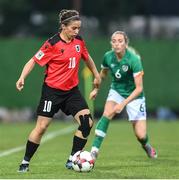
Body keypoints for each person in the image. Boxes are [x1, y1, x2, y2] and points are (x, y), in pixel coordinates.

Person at [16, 9, 101, 172]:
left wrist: (96, 75)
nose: (77, 31)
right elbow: (33, 61)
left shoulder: (79, 42)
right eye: (74, 28)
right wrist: (22, 77)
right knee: (41, 128)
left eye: (79, 28)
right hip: (52, 92)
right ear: (63, 26)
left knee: (87, 123)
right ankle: (25, 162)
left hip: (71, 92)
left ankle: (72, 159)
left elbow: (87, 57)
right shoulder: (52, 44)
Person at [89, 31, 157, 163]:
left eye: (120, 41)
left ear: (126, 43)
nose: (116, 44)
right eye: (114, 41)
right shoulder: (108, 57)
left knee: (140, 135)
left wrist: (123, 104)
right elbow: (102, 74)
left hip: (135, 96)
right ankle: (94, 151)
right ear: (111, 43)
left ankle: (146, 145)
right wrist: (96, 89)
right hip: (116, 91)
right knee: (107, 114)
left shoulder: (134, 60)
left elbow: (139, 88)